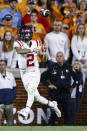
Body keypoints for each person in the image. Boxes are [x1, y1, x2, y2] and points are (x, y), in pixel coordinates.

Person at [14, 25, 61, 120]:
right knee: (36, 97)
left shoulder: (37, 42)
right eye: (25, 33)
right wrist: (32, 49)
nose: (27, 35)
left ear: (31, 34)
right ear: (21, 34)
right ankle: (53, 104)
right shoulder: (17, 43)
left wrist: (44, 51)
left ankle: (26, 111)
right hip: (24, 73)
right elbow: (19, 51)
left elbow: (44, 59)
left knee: (31, 90)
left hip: (34, 71)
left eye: (28, 33)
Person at [41, 51, 79, 125]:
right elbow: (42, 78)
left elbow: (77, 78)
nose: (59, 58)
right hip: (55, 94)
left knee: (68, 114)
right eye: (57, 56)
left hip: (66, 94)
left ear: (64, 58)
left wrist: (72, 87)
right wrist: (48, 85)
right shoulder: (52, 67)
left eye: (60, 56)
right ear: (55, 58)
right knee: (53, 115)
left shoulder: (68, 66)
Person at [0, 60, 16, 125]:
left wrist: (11, 98)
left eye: (3, 64)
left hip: (9, 103)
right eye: (0, 65)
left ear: (5, 66)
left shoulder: (10, 75)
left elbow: (14, 88)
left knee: (10, 123)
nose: (1, 66)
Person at [70, 60, 85, 125]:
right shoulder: (71, 74)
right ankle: (71, 125)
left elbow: (82, 84)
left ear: (80, 66)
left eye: (78, 64)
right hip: (72, 95)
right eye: (75, 64)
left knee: (76, 112)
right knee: (72, 112)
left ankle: (72, 125)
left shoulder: (82, 74)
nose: (76, 65)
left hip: (79, 96)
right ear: (73, 65)